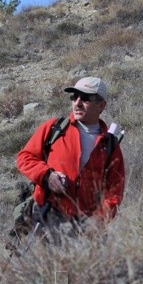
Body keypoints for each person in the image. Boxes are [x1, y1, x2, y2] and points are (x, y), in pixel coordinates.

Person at [15, 76, 125, 238]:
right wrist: (47, 176)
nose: (77, 103)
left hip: (86, 224)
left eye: (86, 98)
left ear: (101, 105)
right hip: (47, 213)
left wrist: (100, 218)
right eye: (74, 97)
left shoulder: (109, 144)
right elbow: (25, 158)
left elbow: (115, 187)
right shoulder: (54, 128)